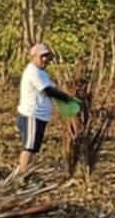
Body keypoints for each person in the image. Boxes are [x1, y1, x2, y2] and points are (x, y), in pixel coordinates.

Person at [16, 42, 78, 175]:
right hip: (31, 115)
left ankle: (28, 174)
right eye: (42, 56)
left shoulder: (41, 72)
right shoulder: (32, 71)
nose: (45, 59)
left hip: (40, 116)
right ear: (33, 57)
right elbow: (48, 91)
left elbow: (52, 88)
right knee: (29, 148)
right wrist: (67, 99)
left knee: (34, 148)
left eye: (47, 56)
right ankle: (23, 177)